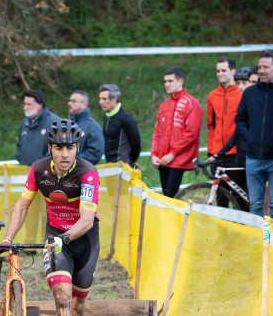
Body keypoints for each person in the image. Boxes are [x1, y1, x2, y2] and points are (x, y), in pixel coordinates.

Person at [0, 119, 100, 316]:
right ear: (50, 149)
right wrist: (7, 239)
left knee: (78, 304)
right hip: (55, 239)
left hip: (84, 240)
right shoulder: (39, 170)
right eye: (59, 148)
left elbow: (87, 219)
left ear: (78, 148)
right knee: (62, 298)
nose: (65, 154)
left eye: (71, 148)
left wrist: (66, 237)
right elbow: (23, 205)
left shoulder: (88, 173)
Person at [234, 50, 273, 217]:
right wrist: (250, 138)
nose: (261, 70)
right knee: (255, 206)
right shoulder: (250, 93)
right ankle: (258, 242)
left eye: (265, 67)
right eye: (259, 67)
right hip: (253, 158)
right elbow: (240, 119)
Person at [150, 67, 202, 198]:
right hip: (162, 159)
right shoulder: (164, 105)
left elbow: (191, 133)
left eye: (170, 81)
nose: (167, 84)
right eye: (165, 81)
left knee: (171, 197)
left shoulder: (191, 103)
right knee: (166, 196)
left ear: (180, 81)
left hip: (178, 158)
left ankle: (176, 218)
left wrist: (172, 154)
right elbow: (157, 132)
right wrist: (154, 154)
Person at [204, 57, 243, 206]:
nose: (220, 74)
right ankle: (222, 228)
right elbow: (211, 125)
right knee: (221, 195)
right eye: (218, 71)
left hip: (236, 152)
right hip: (218, 153)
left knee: (239, 194)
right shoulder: (212, 96)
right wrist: (211, 150)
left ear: (233, 71)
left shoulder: (241, 93)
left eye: (224, 70)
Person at [98, 84, 142, 167]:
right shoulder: (107, 117)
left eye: (104, 99)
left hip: (123, 167)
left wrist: (130, 161)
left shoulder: (126, 118)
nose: (100, 102)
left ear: (114, 99)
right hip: (109, 165)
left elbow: (136, 143)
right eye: (100, 98)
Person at [15, 89, 61, 166]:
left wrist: (42, 166)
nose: (25, 108)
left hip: (45, 174)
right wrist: (20, 157)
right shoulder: (24, 124)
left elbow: (58, 150)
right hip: (25, 172)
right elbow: (19, 145)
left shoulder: (55, 123)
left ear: (39, 106)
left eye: (29, 104)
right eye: (24, 104)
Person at [67, 90, 104, 164]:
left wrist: (72, 162)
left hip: (81, 173)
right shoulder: (65, 124)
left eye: (74, 101)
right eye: (70, 101)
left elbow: (95, 153)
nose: (69, 103)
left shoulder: (93, 127)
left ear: (84, 104)